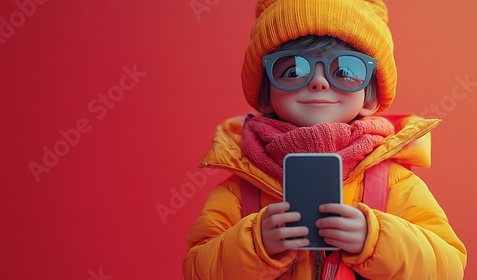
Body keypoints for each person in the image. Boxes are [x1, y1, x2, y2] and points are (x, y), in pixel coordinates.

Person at [183, 0, 467, 279]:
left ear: (369, 97)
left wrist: (376, 239)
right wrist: (255, 244)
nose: (319, 82)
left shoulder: (394, 183)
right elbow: (197, 270)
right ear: (266, 94)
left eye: (345, 71)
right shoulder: (240, 188)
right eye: (294, 70)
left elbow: (449, 267)